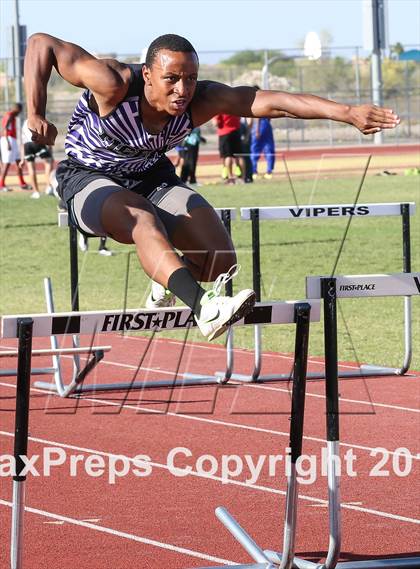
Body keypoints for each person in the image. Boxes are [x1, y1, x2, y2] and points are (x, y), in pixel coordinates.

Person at [23, 33, 399, 340]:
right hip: (89, 178)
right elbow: (41, 44)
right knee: (139, 217)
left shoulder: (202, 99)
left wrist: (347, 113)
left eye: (189, 78)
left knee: (221, 260)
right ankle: (205, 308)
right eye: (171, 79)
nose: (182, 90)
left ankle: (166, 281)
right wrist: (36, 111)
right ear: (148, 75)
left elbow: (273, 103)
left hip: (150, 174)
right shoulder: (113, 82)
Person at [21, 119, 55, 198]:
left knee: (31, 169)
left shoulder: (25, 123)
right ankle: (49, 186)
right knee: (48, 162)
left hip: (27, 146)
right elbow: (46, 135)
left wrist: (22, 159)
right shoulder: (39, 119)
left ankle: (36, 192)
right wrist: (50, 149)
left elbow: (22, 141)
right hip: (37, 143)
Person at [0, 103, 30, 192]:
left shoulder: (12, 116)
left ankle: (22, 183)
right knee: (7, 163)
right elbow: (5, 128)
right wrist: (8, 142)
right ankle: (1, 185)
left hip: (12, 139)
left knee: (18, 161)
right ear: (16, 109)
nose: (19, 113)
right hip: (7, 139)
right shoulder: (9, 115)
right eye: (19, 110)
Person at [250, 86, 276, 180]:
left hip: (260, 126)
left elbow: (256, 116)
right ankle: (269, 171)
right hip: (267, 126)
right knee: (269, 148)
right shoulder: (266, 99)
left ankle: (254, 171)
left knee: (255, 149)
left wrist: (256, 130)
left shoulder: (255, 100)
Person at [213, 113, 244, 184]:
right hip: (236, 131)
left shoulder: (220, 107)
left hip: (224, 132)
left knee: (228, 156)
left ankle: (230, 178)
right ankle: (243, 178)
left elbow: (216, 123)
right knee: (239, 156)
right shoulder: (235, 106)